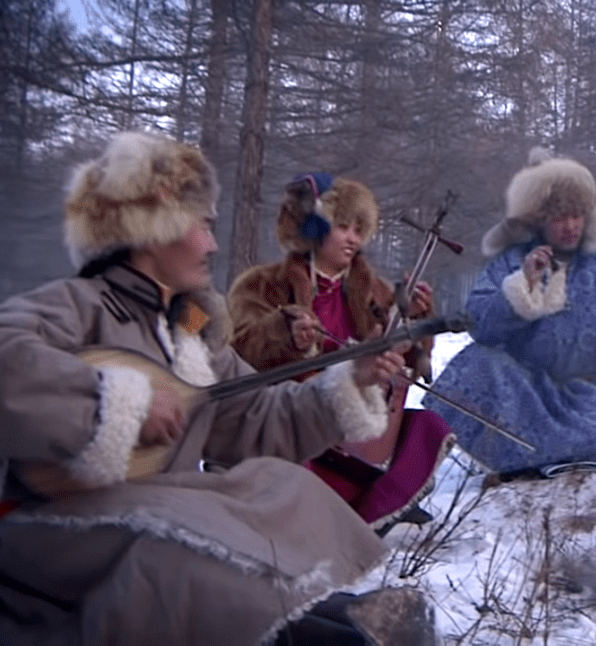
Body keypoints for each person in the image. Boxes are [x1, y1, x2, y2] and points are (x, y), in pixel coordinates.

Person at [0, 131, 433, 645]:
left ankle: (319, 621)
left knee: (278, 486)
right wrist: (113, 402)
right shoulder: (76, 304)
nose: (212, 243)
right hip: (60, 537)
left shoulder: (191, 332)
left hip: (164, 521)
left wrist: (347, 384)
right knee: (179, 546)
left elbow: (257, 412)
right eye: (202, 224)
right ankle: (317, 630)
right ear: (153, 227)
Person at [228, 173, 454, 532]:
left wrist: (414, 322)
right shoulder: (262, 284)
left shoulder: (378, 291)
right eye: (342, 226)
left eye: (359, 229)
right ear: (313, 227)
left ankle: (374, 506)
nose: (353, 239)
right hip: (297, 419)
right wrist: (284, 332)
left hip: (360, 427)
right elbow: (240, 346)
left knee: (425, 428)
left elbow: (407, 366)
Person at [422, 147, 596, 474]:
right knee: (475, 363)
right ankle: (519, 458)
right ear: (539, 219)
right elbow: (478, 324)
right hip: (527, 393)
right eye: (559, 217)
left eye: (576, 216)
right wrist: (523, 285)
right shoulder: (513, 261)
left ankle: (541, 458)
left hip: (588, 400)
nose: (570, 226)